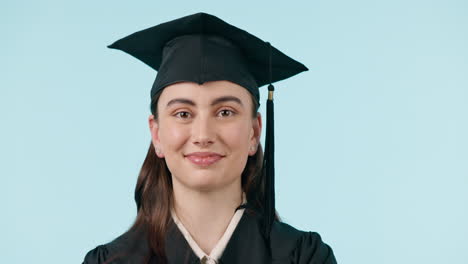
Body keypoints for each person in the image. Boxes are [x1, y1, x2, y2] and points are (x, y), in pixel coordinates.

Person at [83, 12, 337, 264]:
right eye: (183, 113)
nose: (203, 135)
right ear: (157, 134)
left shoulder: (302, 257)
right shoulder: (112, 261)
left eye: (225, 112)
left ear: (255, 132)